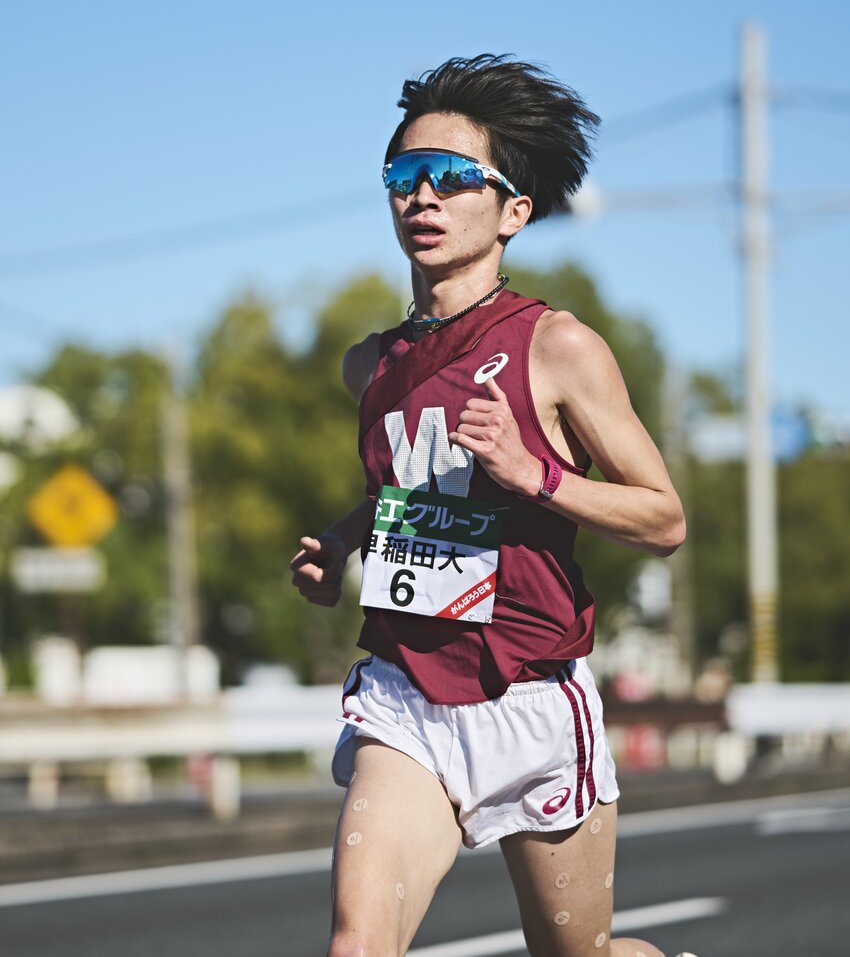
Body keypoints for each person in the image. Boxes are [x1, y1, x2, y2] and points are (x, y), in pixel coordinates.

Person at [291, 54, 686, 957]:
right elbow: (400, 487)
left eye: (454, 177)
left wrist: (535, 474)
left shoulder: (558, 348)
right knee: (358, 944)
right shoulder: (371, 365)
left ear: (513, 211)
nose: (422, 197)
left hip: (530, 693)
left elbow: (665, 519)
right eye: (403, 176)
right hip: (406, 693)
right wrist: (346, 540)